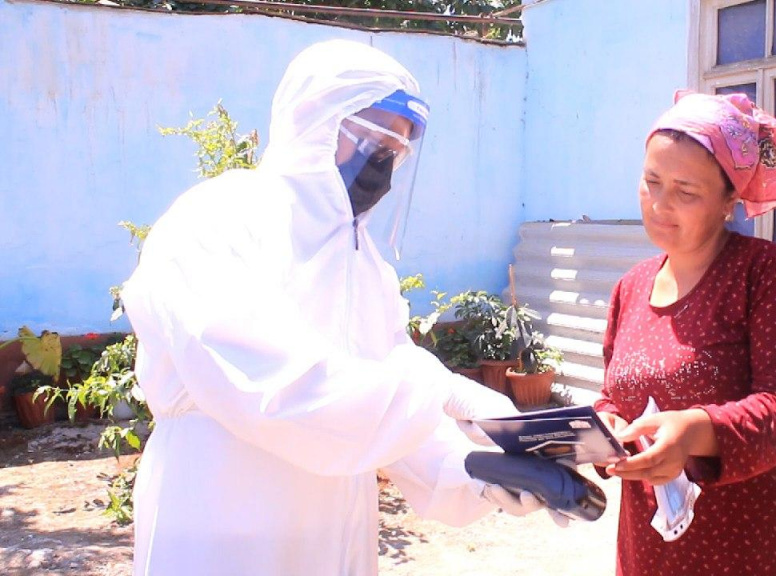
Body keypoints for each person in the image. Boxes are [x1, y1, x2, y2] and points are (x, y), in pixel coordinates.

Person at [120, 40, 560, 576]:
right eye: (374, 138)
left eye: (397, 150)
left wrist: (478, 474)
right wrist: (439, 392)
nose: (384, 163)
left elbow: (385, 402)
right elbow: (275, 391)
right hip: (221, 521)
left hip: (334, 528)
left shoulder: (365, 264)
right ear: (314, 121)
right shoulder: (216, 222)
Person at [594, 91, 776, 575]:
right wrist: (606, 429)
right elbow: (614, 396)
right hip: (654, 538)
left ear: (729, 201)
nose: (660, 204)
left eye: (685, 191)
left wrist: (695, 431)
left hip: (754, 537)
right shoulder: (631, 287)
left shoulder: (767, 274)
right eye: (651, 181)